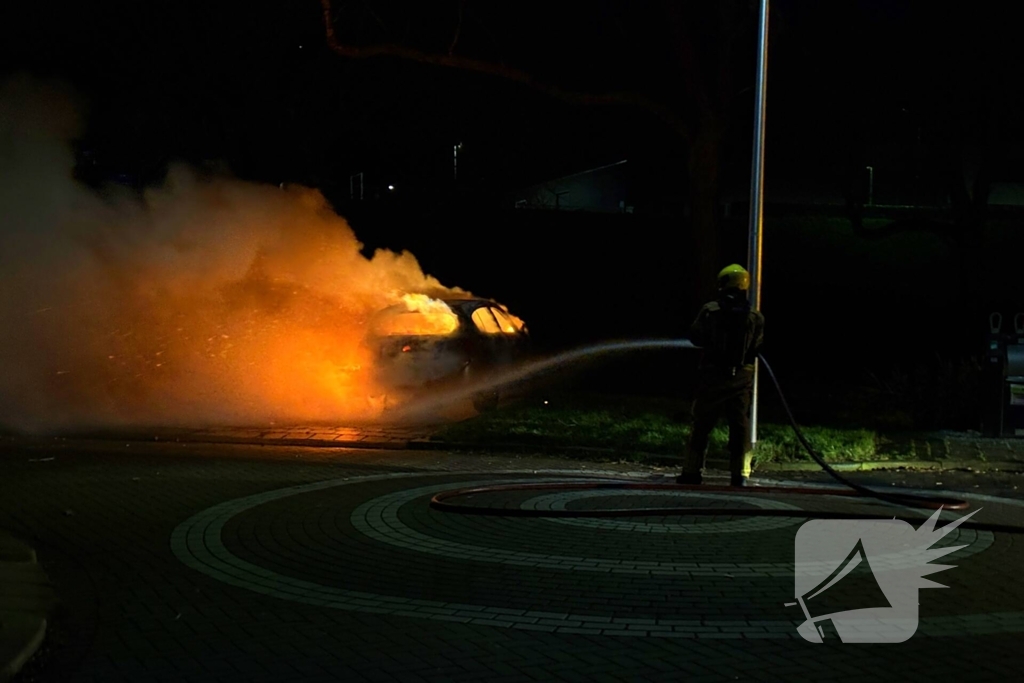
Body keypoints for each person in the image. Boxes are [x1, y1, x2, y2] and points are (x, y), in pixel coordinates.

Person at [677, 264, 764, 487]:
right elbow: (756, 348)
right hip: (741, 378)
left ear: (723, 283)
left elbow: (696, 336)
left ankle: (691, 472)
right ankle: (741, 474)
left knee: (701, 424)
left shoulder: (710, 310)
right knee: (740, 425)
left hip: (713, 376)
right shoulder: (755, 316)